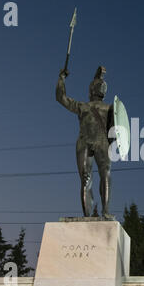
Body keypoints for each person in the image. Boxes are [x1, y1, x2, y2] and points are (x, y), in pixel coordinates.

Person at [56, 66, 114, 219]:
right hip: (102, 143)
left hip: (85, 143)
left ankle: (88, 215)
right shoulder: (110, 109)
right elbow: (117, 130)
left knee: (86, 179)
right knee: (105, 175)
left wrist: (61, 79)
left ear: (91, 91)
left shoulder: (83, 106)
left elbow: (61, 97)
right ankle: (105, 211)